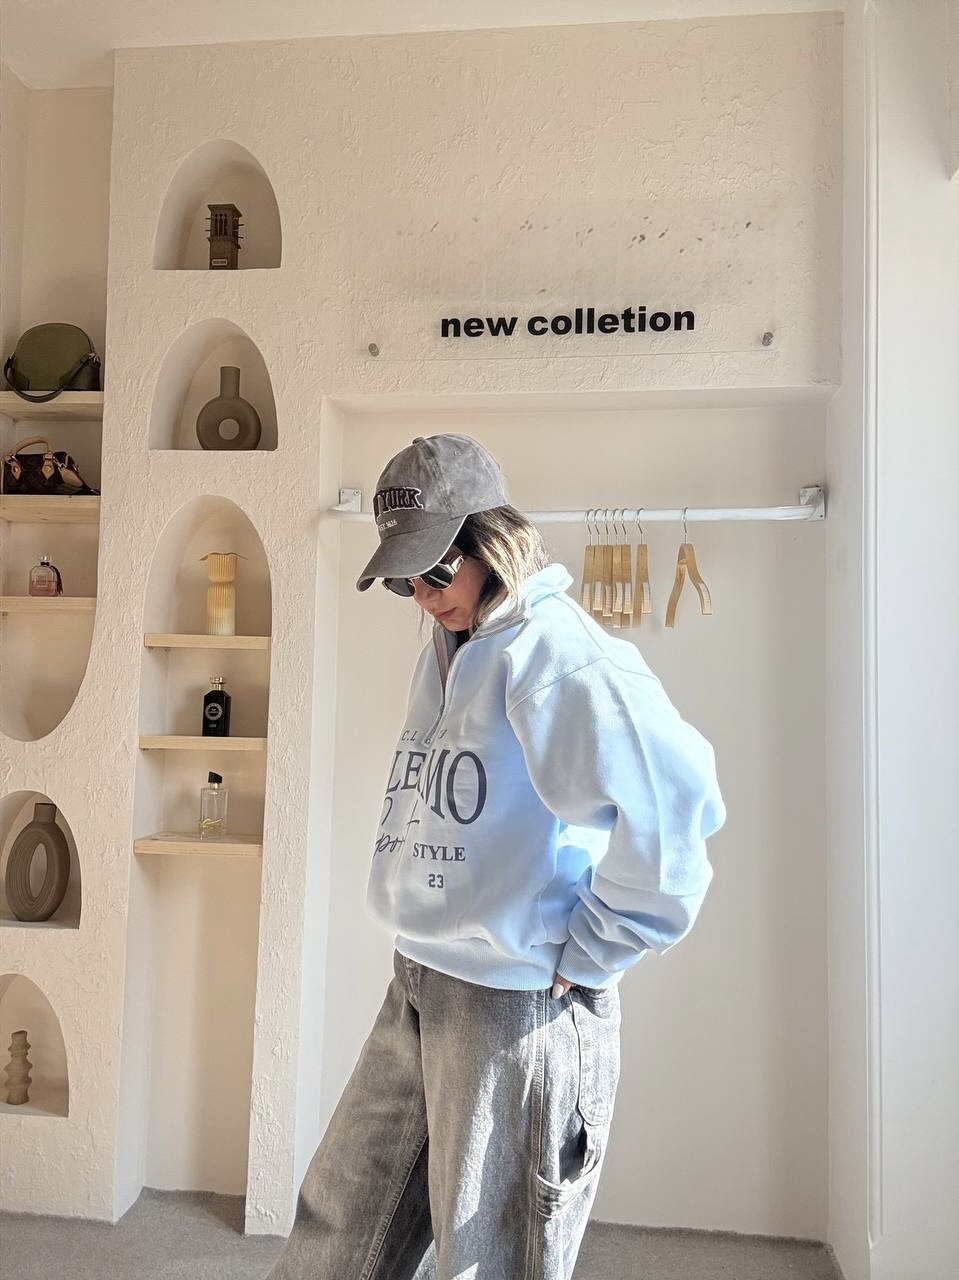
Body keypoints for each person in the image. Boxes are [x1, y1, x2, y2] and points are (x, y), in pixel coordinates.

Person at [267, 433, 726, 1280]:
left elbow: (672, 804)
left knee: (489, 1260)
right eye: (403, 580)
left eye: (435, 570)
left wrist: (593, 950)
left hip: (514, 1003)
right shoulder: (452, 647)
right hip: (421, 976)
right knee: (337, 1231)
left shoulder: (555, 652)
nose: (422, 595)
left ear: (492, 542)